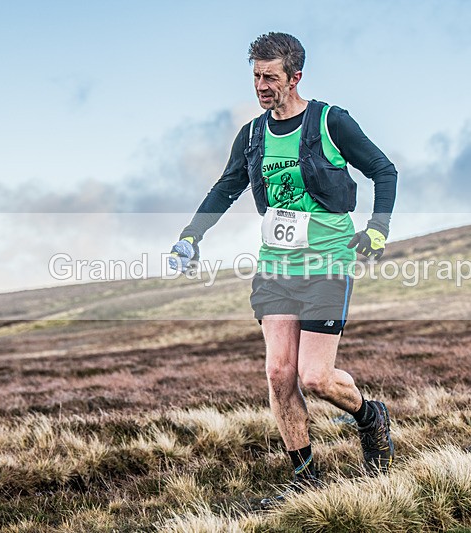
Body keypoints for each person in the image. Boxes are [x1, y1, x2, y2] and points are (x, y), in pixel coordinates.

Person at [168, 32, 398, 508]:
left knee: (316, 377)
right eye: (255, 76)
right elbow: (224, 188)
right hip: (275, 266)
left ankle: (370, 417)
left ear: (296, 77)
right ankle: (305, 476)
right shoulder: (253, 134)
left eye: (270, 77)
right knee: (278, 373)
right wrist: (191, 235)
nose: (261, 86)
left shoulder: (331, 122)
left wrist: (377, 229)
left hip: (327, 261)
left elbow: (383, 169)